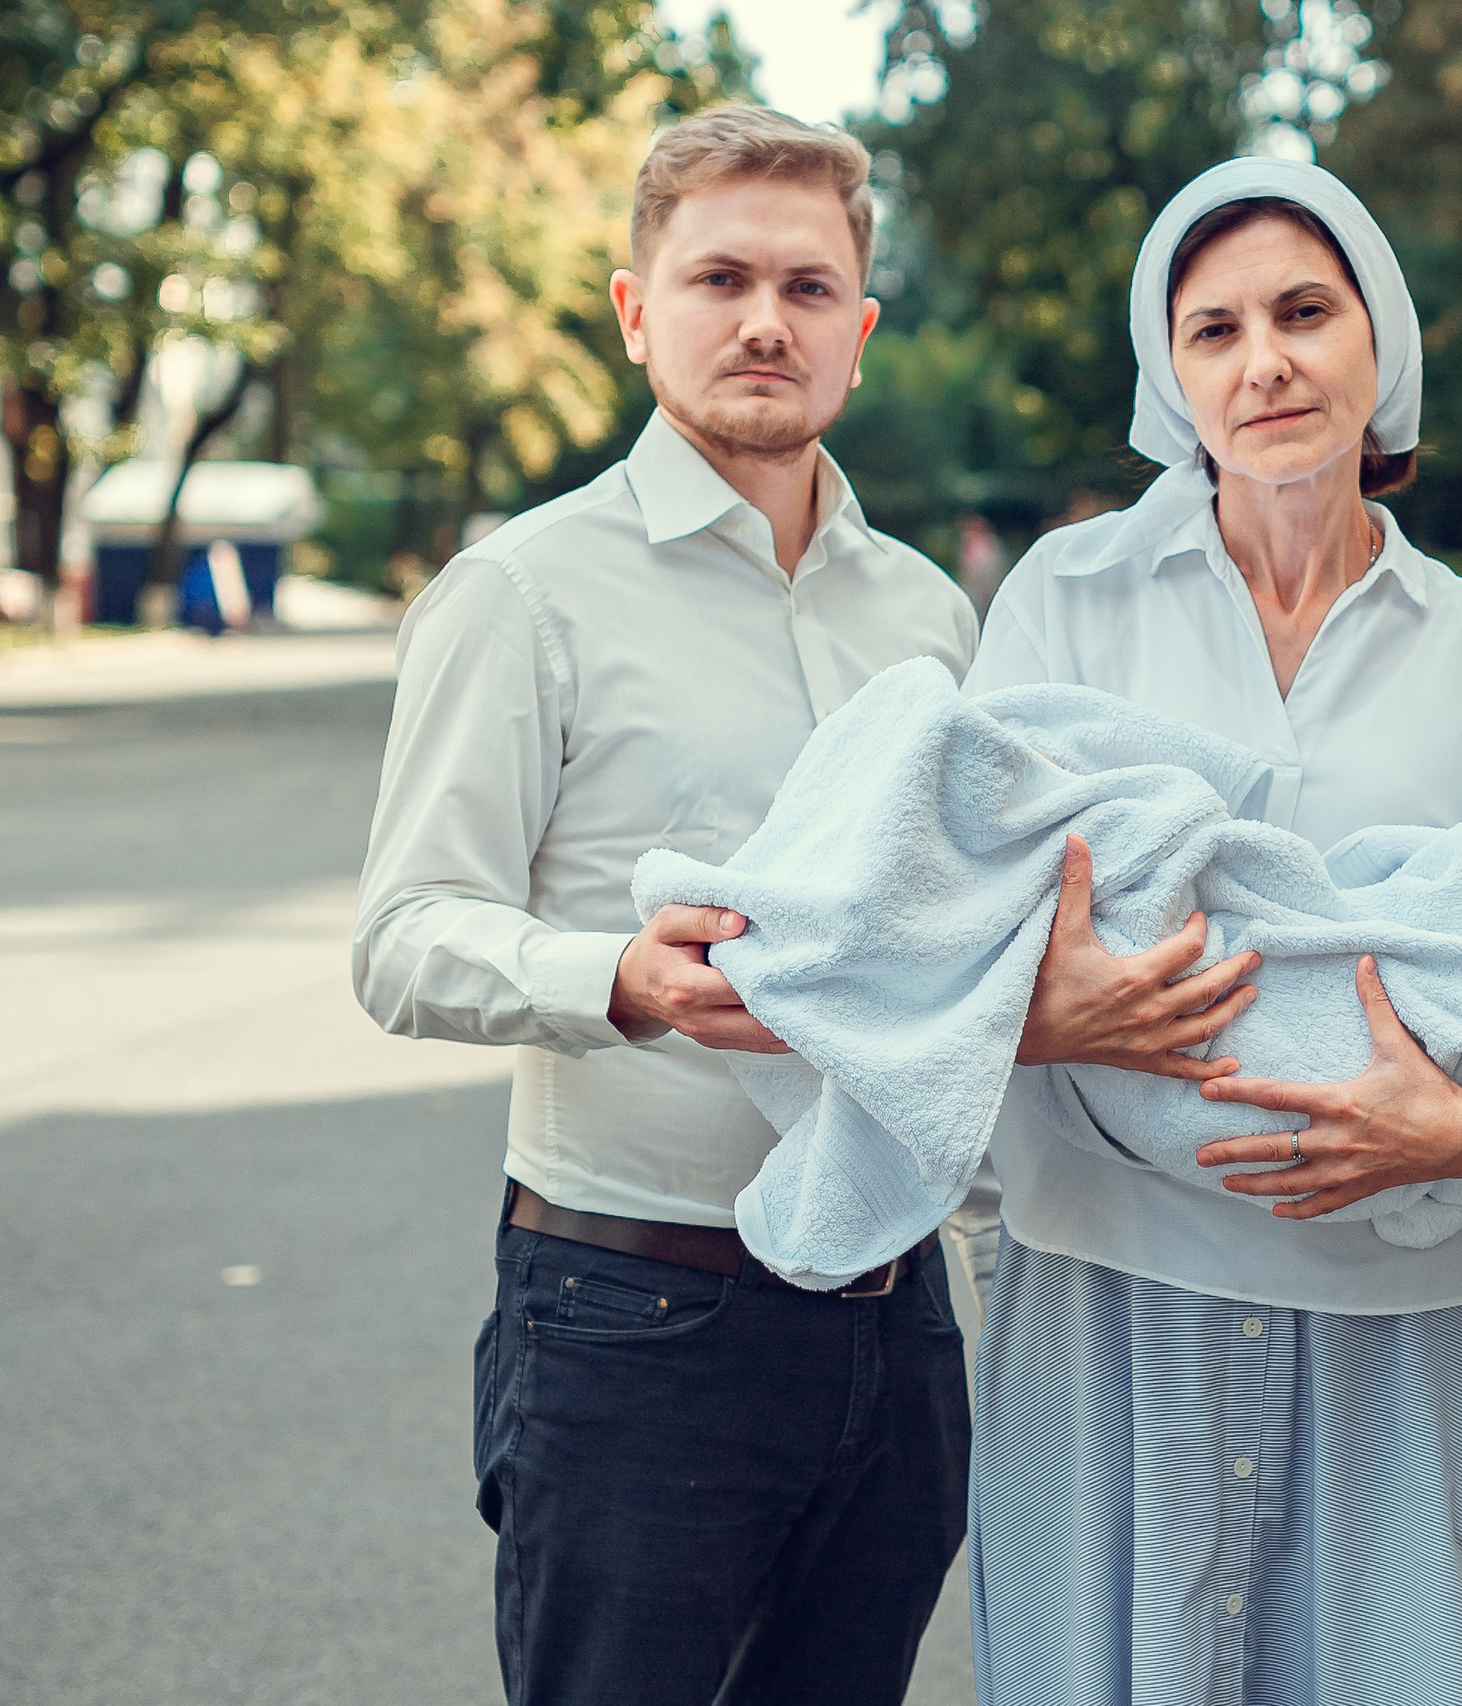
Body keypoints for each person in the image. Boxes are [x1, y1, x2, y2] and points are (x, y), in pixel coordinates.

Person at [958, 158, 1462, 1706]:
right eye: (1214, 330)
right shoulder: (1067, 600)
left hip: (1402, 1313)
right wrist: (1081, 1013)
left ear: (1381, 342)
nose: (1266, 362)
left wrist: (1458, 1129)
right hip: (1112, 1296)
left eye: (1306, 312)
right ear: (1168, 376)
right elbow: (969, 920)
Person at [351, 107, 977, 1706]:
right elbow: (405, 931)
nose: (765, 320)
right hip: (636, 1315)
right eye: (718, 278)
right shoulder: (524, 594)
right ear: (638, 312)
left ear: (860, 328)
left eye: (809, 287)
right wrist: (616, 976)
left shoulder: (929, 615)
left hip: (895, 1333)